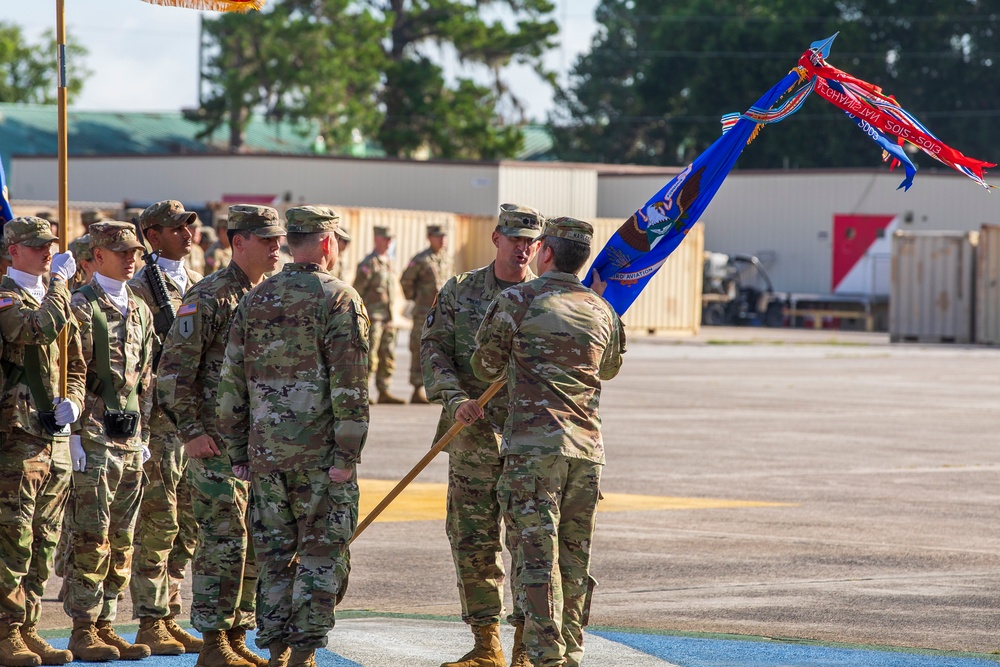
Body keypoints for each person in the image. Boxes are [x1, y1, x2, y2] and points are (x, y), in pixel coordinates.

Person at [217, 205, 369, 667]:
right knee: (321, 555)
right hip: (321, 459)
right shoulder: (339, 298)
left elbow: (231, 382)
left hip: (266, 457)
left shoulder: (256, 298)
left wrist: (238, 450)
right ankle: (303, 654)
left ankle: (279, 650)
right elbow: (351, 386)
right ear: (327, 243)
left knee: (274, 556)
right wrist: (347, 454)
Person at [471, 217, 625, 667]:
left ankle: (545, 658)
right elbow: (610, 368)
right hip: (586, 452)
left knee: (536, 559)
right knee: (574, 563)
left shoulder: (517, 299)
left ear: (546, 253)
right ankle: (571, 653)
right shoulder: (601, 309)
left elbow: (485, 366)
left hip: (533, 452)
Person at [157, 205, 286, 667]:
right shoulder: (210, 295)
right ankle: (212, 642)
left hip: (259, 443)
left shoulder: (272, 294)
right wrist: (191, 432)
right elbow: (172, 373)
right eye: (265, 238)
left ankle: (235, 635)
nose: (276, 247)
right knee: (223, 540)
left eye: (278, 238)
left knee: (253, 539)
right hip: (213, 442)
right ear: (238, 242)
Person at [421, 204, 543, 667]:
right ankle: (485, 642)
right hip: (471, 439)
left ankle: (526, 648)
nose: (522, 247)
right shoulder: (461, 290)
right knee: (472, 540)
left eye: (531, 240)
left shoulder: (544, 298)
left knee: (531, 546)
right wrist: (455, 399)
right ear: (496, 238)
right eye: (515, 238)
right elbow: (434, 349)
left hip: (528, 444)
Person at [63, 221, 156, 662]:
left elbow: (146, 377)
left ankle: (106, 623)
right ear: (97, 256)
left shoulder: (139, 306)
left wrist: (147, 433)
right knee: (91, 535)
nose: (131, 258)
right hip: (95, 436)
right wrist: (75, 436)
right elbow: (69, 373)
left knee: (124, 537)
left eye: (134, 251)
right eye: (121, 252)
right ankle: (82, 628)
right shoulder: (80, 306)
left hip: (131, 435)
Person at [0, 216, 84, 667]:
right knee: (12, 538)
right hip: (15, 436)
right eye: (36, 246)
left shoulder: (54, 296)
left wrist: (72, 398)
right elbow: (34, 330)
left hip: (51, 433)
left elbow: (73, 358)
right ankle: (4, 630)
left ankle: (28, 625)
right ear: (13, 251)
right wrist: (60, 285)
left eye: (49, 244)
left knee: (43, 539)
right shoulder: (6, 297)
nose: (47, 251)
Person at [128, 200, 204, 655]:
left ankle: (170, 609)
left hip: (192, 421)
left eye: (189, 226)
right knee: (159, 520)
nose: (188, 234)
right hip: (158, 420)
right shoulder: (138, 289)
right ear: (152, 235)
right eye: (177, 228)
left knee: (188, 521)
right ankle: (151, 619)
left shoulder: (198, 284)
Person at [400, 224, 450, 404]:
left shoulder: (445, 259)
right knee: (418, 347)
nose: (442, 240)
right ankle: (416, 388)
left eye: (444, 236)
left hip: (441, 312)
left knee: (438, 350)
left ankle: (436, 388)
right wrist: (414, 297)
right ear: (429, 237)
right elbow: (405, 279)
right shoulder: (421, 259)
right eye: (438, 236)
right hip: (423, 311)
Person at [354, 225, 404, 404]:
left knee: (388, 355)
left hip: (388, 318)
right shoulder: (369, 264)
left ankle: (384, 390)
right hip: (373, 317)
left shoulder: (389, 262)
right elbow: (357, 292)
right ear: (377, 239)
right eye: (386, 239)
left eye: (391, 239)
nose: (389, 242)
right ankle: (363, 392)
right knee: (370, 356)